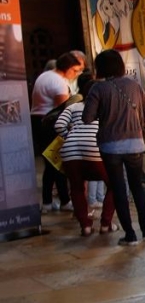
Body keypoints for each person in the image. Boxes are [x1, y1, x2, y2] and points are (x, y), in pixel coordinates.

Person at [83, 49, 145, 246]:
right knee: (137, 188)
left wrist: (106, 114)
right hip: (135, 144)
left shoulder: (98, 89)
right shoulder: (134, 85)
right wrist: (140, 127)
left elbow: (87, 118)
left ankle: (130, 235)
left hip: (110, 146)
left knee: (118, 189)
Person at [54, 73, 117, 236]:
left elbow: (59, 125)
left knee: (76, 188)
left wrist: (70, 138)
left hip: (70, 153)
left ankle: (86, 226)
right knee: (114, 185)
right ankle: (106, 223)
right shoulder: (103, 108)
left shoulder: (73, 107)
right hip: (94, 151)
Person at [30, 51, 85, 211]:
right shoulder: (59, 82)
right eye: (75, 71)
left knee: (50, 163)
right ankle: (65, 201)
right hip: (50, 124)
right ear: (67, 68)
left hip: (38, 121)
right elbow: (64, 109)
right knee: (58, 162)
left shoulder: (45, 75)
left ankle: (47, 202)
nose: (75, 74)